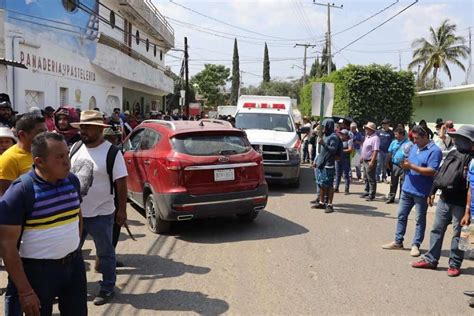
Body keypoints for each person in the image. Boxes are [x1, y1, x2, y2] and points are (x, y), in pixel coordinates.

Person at [0, 132, 87, 316]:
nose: (67, 162)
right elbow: (7, 245)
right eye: (59, 157)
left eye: (67, 154)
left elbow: (77, 216)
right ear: (39, 162)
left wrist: (75, 248)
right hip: (38, 274)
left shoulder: (72, 181)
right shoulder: (21, 191)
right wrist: (25, 291)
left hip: (74, 267)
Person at [70, 110, 128, 305]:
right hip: (76, 214)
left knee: (105, 253)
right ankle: (72, 286)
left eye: (87, 128)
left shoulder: (112, 152)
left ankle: (107, 288)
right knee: (70, 252)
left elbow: (121, 183)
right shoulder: (76, 147)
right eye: (82, 127)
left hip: (102, 213)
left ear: (99, 129)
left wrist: (122, 210)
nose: (83, 131)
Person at [411, 125, 473, 276]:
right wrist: (432, 191)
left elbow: (472, 187)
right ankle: (431, 259)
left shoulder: (472, 160)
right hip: (444, 199)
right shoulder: (453, 152)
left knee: (461, 235)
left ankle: (455, 264)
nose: (456, 141)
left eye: (460, 138)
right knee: (436, 230)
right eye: (456, 138)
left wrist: (468, 211)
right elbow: (440, 173)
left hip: (462, 204)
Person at [382, 125, 443, 257]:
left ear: (425, 136)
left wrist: (412, 166)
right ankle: (398, 241)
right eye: (413, 138)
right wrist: (404, 164)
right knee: (401, 216)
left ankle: (416, 244)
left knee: (419, 220)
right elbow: (409, 161)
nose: (414, 141)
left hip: (422, 192)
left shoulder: (435, 151)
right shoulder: (414, 147)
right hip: (407, 188)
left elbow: (432, 171)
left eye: (417, 138)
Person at [0, 113, 46, 195]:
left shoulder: (46, 152)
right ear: (22, 134)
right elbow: (9, 198)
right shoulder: (9, 159)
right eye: (40, 132)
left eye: (46, 131)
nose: (45, 136)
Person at [311, 119, 339, 213]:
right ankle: (322, 202)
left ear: (329, 126)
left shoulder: (333, 137)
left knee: (329, 185)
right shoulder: (326, 135)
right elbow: (322, 152)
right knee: (322, 184)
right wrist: (317, 161)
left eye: (324, 126)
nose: (322, 128)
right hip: (322, 164)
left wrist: (323, 143)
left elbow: (333, 150)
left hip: (329, 165)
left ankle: (330, 205)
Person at [462, 145, 474, 307]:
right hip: (473, 211)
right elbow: (471, 188)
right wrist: (467, 211)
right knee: (467, 244)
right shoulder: (472, 162)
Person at [386, 128, 411, 204]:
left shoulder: (409, 143)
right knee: (393, 182)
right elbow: (389, 153)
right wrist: (387, 163)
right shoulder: (393, 142)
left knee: (403, 183)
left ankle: (402, 199)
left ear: (402, 134)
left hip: (404, 166)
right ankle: (391, 197)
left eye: (396, 134)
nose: (395, 135)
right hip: (395, 165)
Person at [360, 122, 380, 201]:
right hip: (365, 160)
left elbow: (375, 151)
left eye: (367, 129)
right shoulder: (367, 137)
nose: (365, 130)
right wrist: (362, 157)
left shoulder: (375, 138)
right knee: (366, 177)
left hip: (370, 160)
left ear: (371, 130)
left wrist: (372, 161)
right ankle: (366, 191)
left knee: (371, 178)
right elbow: (364, 148)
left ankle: (372, 194)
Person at [334, 129, 353, 194]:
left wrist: (341, 151)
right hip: (338, 159)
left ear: (346, 135)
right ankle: (336, 188)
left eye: (343, 134)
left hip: (345, 160)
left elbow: (350, 150)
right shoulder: (338, 140)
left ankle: (346, 189)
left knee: (346, 175)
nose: (341, 135)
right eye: (340, 134)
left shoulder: (349, 141)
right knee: (337, 174)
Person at [376, 118, 394, 183]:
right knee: (378, 164)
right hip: (379, 151)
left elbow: (392, 142)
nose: (384, 125)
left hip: (387, 151)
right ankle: (377, 177)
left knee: (385, 165)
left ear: (388, 124)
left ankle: (384, 177)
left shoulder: (391, 133)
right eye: (383, 124)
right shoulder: (378, 132)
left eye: (386, 124)